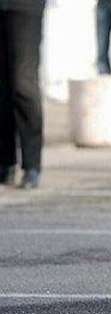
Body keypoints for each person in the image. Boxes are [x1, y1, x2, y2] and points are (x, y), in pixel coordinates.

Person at [0, 0, 46, 189]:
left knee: (22, 83)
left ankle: (31, 164)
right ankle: (5, 162)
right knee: (2, 86)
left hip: (24, 6)